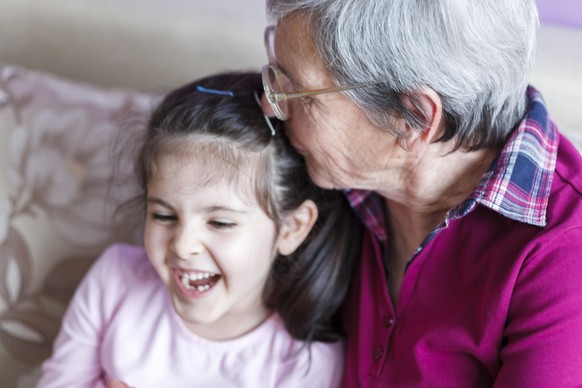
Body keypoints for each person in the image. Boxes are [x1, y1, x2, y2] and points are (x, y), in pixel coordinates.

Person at [260, 0, 582, 386]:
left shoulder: (563, 253)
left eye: (301, 95)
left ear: (411, 118)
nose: (269, 105)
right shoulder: (326, 169)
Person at [38, 72, 361, 388]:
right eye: (164, 215)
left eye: (220, 222)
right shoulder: (114, 281)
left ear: (291, 228)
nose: (183, 245)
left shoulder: (306, 365)